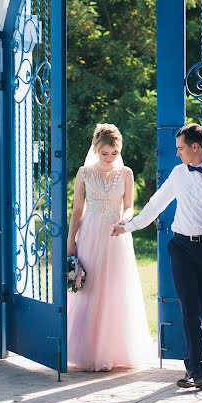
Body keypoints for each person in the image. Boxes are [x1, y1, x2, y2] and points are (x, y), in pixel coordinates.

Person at [112, 123, 202, 389]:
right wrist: (129, 227)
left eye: (181, 148)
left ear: (195, 147)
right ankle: (198, 371)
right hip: (180, 247)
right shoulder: (178, 173)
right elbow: (156, 203)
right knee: (189, 308)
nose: (177, 153)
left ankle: (193, 364)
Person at [67, 123, 152, 372]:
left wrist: (125, 220)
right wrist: (71, 241)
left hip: (116, 234)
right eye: (105, 153)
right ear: (96, 148)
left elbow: (129, 205)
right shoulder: (84, 173)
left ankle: (114, 350)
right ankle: (87, 350)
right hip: (91, 233)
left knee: (116, 289)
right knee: (90, 288)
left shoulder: (126, 173)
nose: (109, 158)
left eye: (114, 153)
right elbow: (77, 210)